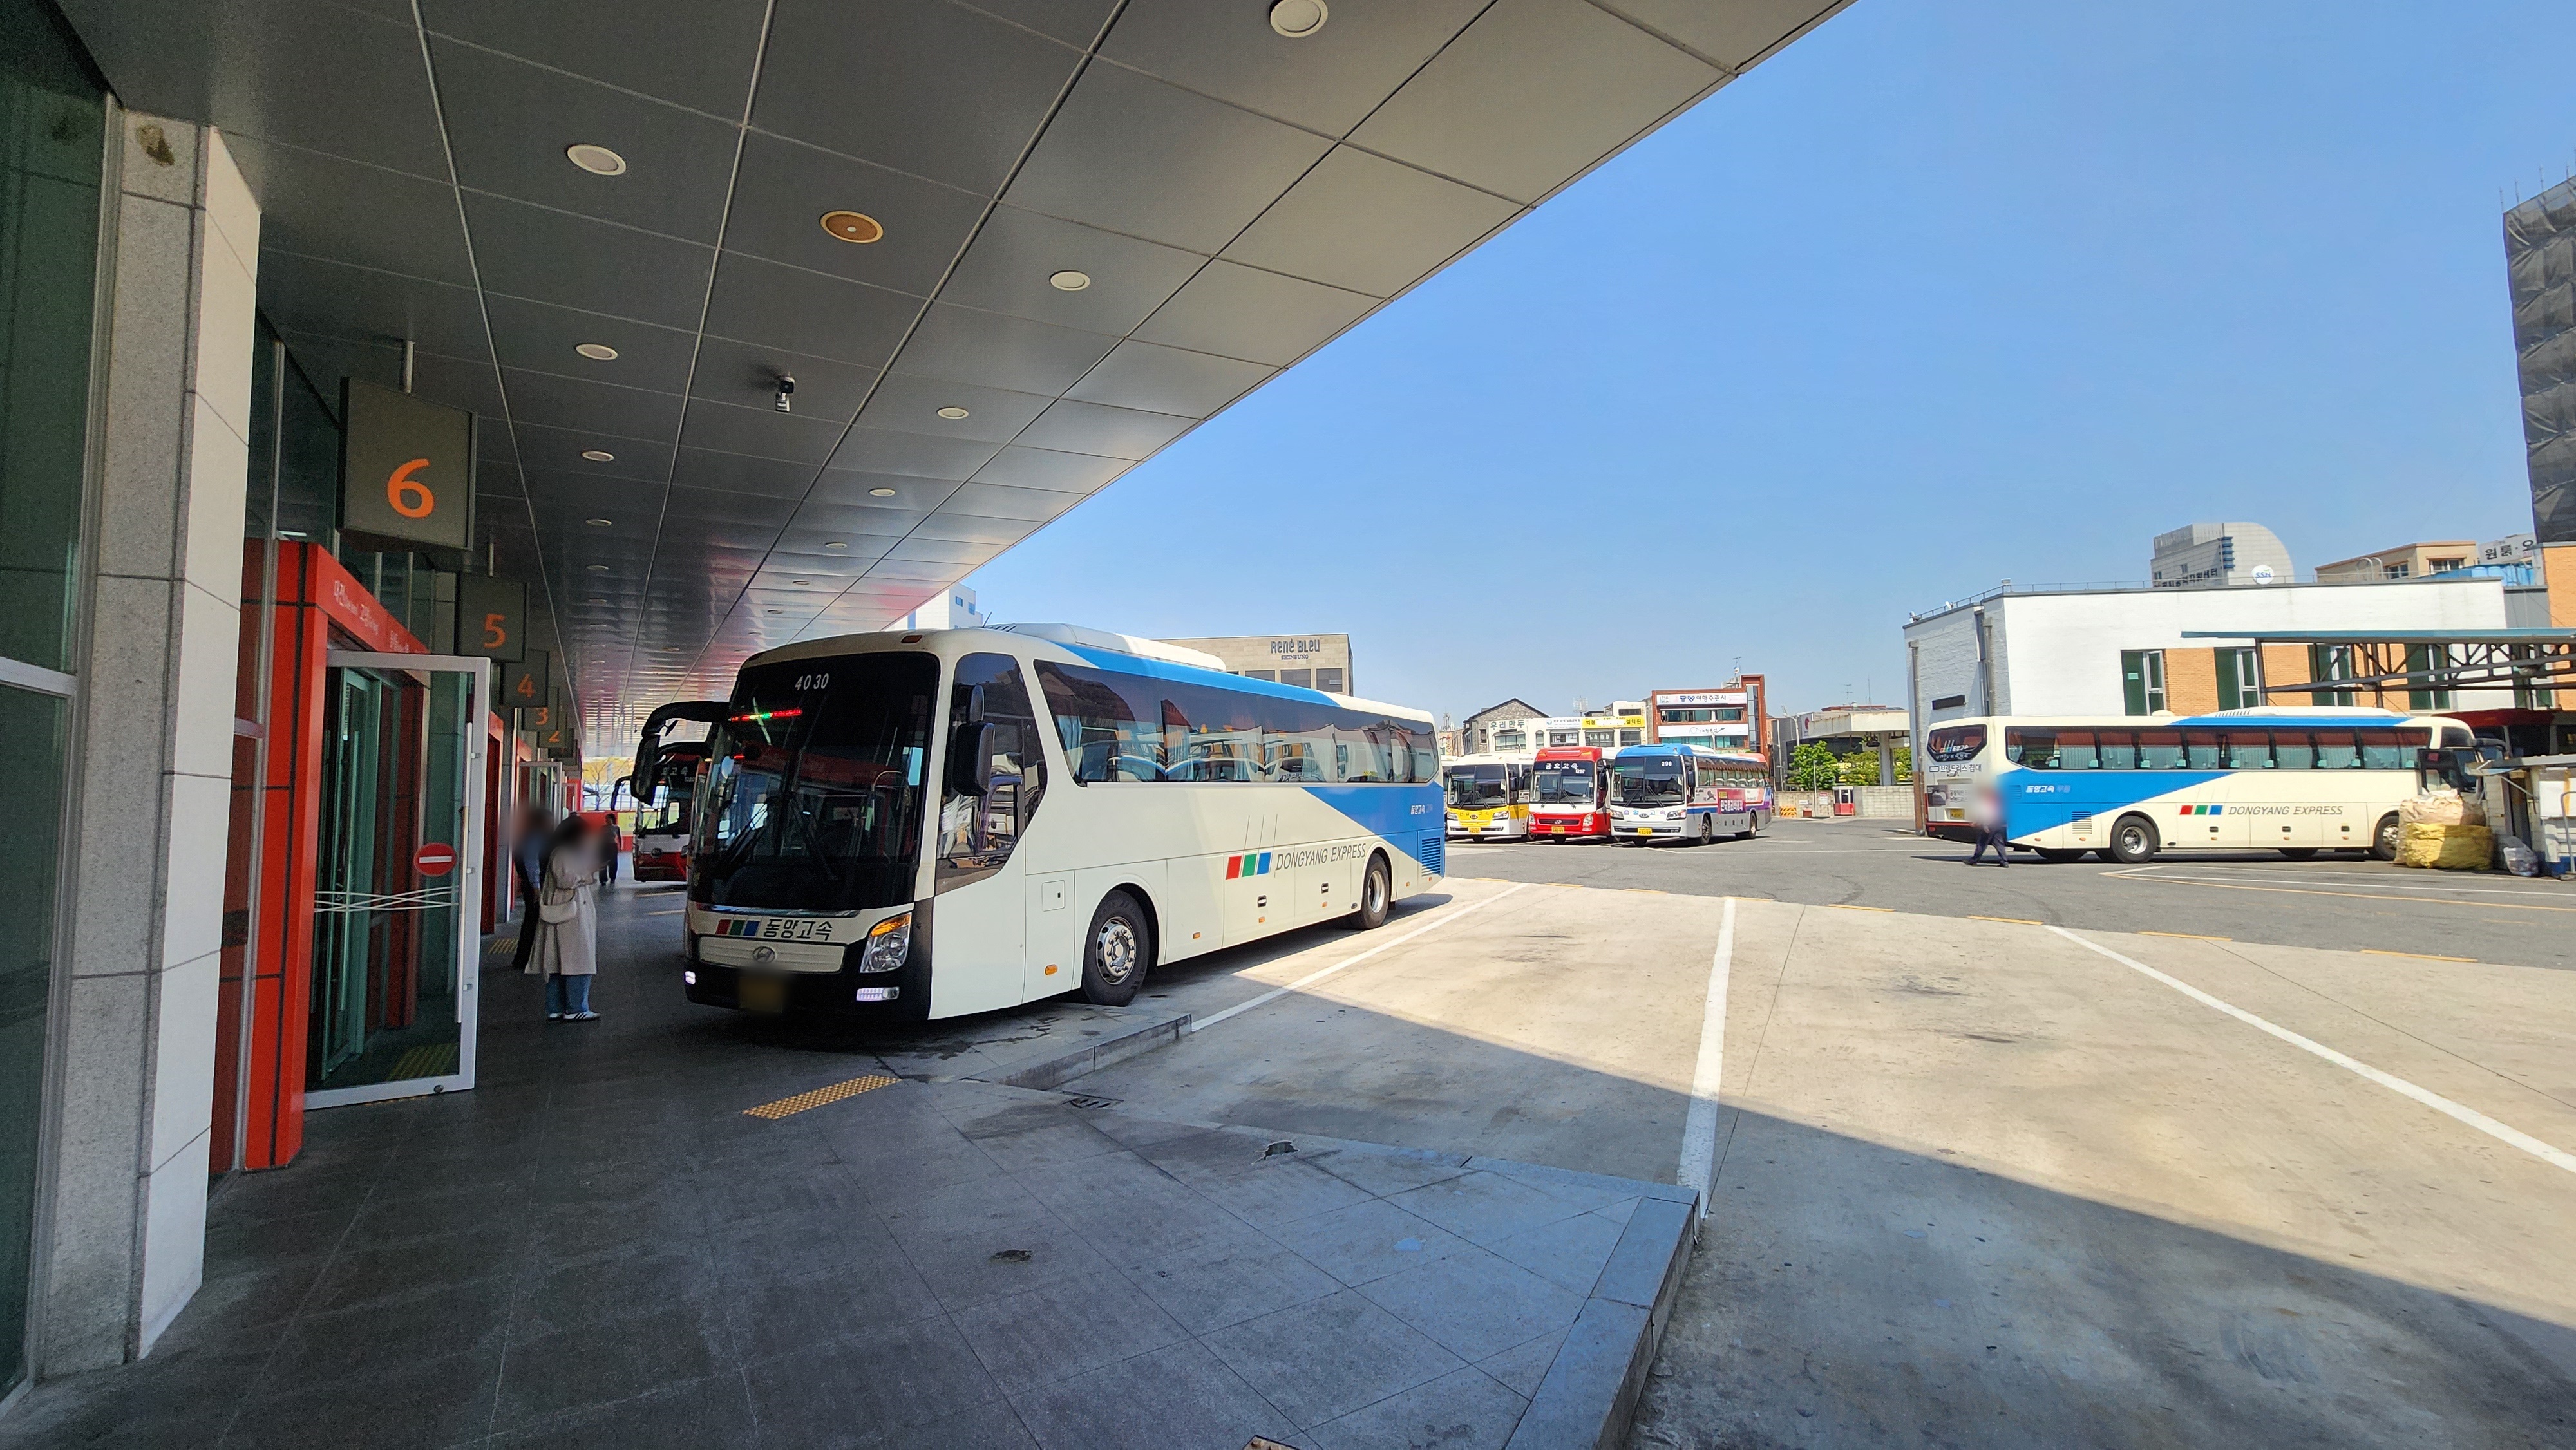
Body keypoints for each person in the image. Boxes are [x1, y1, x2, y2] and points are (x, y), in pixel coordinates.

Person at [527, 813, 601, 1021]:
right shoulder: (563, 854)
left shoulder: (564, 852)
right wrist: (588, 871)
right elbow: (567, 880)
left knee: (559, 963)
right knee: (578, 962)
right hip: (569, 917)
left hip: (567, 915)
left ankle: (556, 1007)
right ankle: (577, 1008)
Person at [507, 805, 554, 977]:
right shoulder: (536, 838)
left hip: (531, 884)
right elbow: (532, 863)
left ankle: (526, 957)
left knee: (532, 920)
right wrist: (536, 887)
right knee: (533, 921)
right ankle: (524, 958)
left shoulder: (527, 837)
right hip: (535, 885)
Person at [1965, 782, 2011, 867]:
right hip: (1998, 824)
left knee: (1982, 843)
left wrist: (1983, 825)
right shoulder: (1995, 800)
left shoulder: (1984, 802)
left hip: (1989, 825)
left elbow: (1985, 814)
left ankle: (1974, 860)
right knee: (1999, 844)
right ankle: (2005, 861)